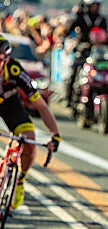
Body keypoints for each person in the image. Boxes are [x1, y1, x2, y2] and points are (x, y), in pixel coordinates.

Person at [0, 34, 61, 209]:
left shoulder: (15, 71)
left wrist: (55, 135)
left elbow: (41, 106)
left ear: (6, 59)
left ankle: (19, 181)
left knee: (29, 141)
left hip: (11, 105)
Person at [65, 0, 107, 108]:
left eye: (97, 5)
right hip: (83, 50)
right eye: (93, 5)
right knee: (74, 72)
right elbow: (69, 30)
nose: (95, 8)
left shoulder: (101, 19)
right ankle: (69, 99)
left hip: (97, 52)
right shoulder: (81, 17)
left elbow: (106, 36)